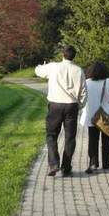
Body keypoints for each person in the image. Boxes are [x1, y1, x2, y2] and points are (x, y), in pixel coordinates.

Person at [35, 45, 87, 177]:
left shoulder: (53, 67)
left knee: (51, 135)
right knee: (70, 138)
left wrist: (41, 66)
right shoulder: (79, 70)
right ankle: (66, 167)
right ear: (74, 56)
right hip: (72, 106)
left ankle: (54, 163)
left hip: (55, 105)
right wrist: (80, 105)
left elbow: (38, 71)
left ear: (62, 54)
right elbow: (84, 92)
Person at [79, 61, 109, 174]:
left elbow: (81, 97)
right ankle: (106, 163)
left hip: (91, 116)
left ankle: (93, 163)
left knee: (93, 140)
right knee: (107, 141)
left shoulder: (86, 82)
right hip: (106, 115)